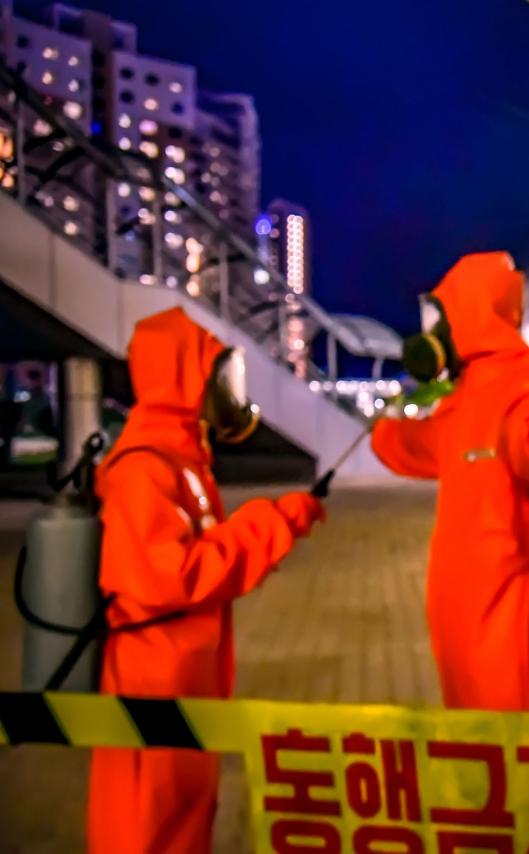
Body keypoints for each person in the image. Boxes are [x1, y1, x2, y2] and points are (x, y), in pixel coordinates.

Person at [87, 307, 327, 854]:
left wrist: (275, 528)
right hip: (153, 680)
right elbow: (177, 574)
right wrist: (273, 523)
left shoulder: (183, 459)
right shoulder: (142, 470)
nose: (228, 391)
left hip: (188, 673)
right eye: (219, 377)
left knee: (186, 816)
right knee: (146, 822)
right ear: (183, 378)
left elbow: (208, 560)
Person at [371, 251, 529, 712]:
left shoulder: (520, 383)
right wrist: (382, 433)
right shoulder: (467, 395)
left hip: (503, 602)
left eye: (440, 320)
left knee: (511, 739)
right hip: (454, 602)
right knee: (471, 732)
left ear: (466, 317)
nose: (432, 336)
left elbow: (528, 427)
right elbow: (426, 444)